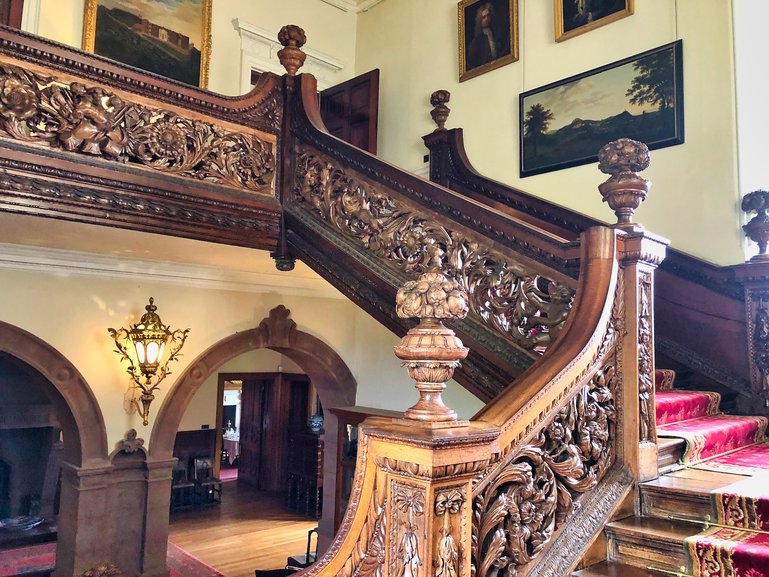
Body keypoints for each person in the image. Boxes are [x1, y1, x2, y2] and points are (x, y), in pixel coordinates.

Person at [467, 2, 501, 70]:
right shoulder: (477, 39)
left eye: (488, 16)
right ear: (480, 19)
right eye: (484, 17)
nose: (487, 19)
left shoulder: (494, 32)